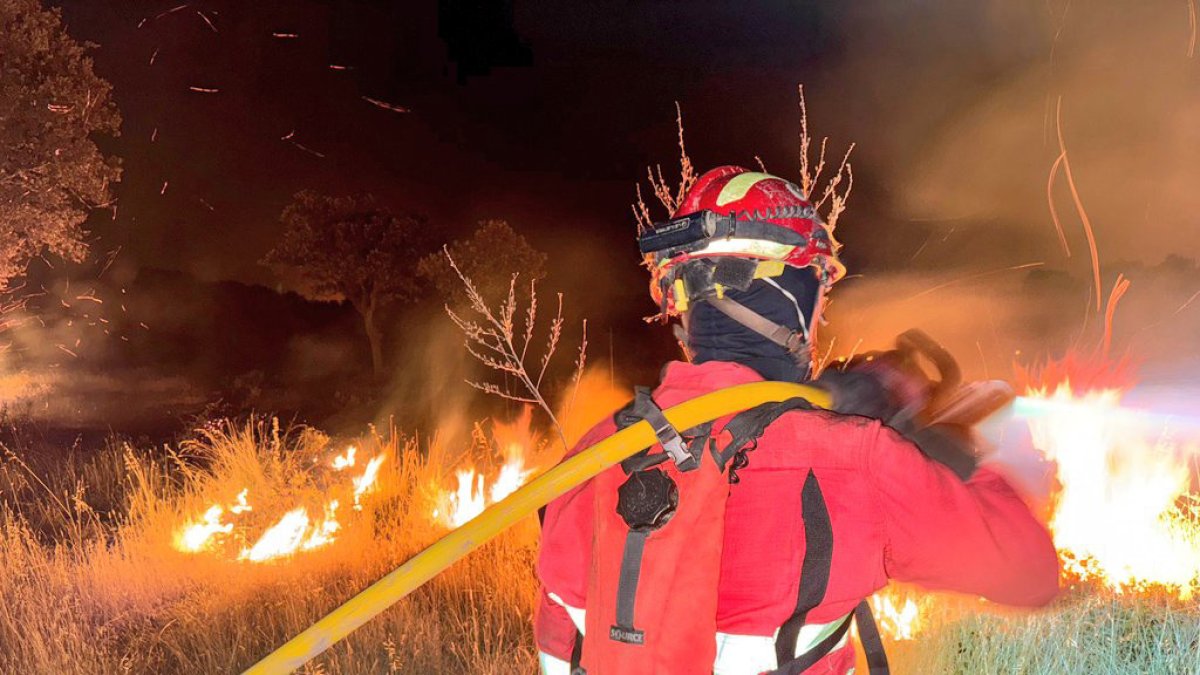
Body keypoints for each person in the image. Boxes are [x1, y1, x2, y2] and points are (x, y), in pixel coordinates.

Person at [535, 166, 1059, 675]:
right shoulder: (858, 461)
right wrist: (947, 457)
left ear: (680, 297)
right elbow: (1030, 572)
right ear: (795, 294)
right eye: (819, 294)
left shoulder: (588, 460)